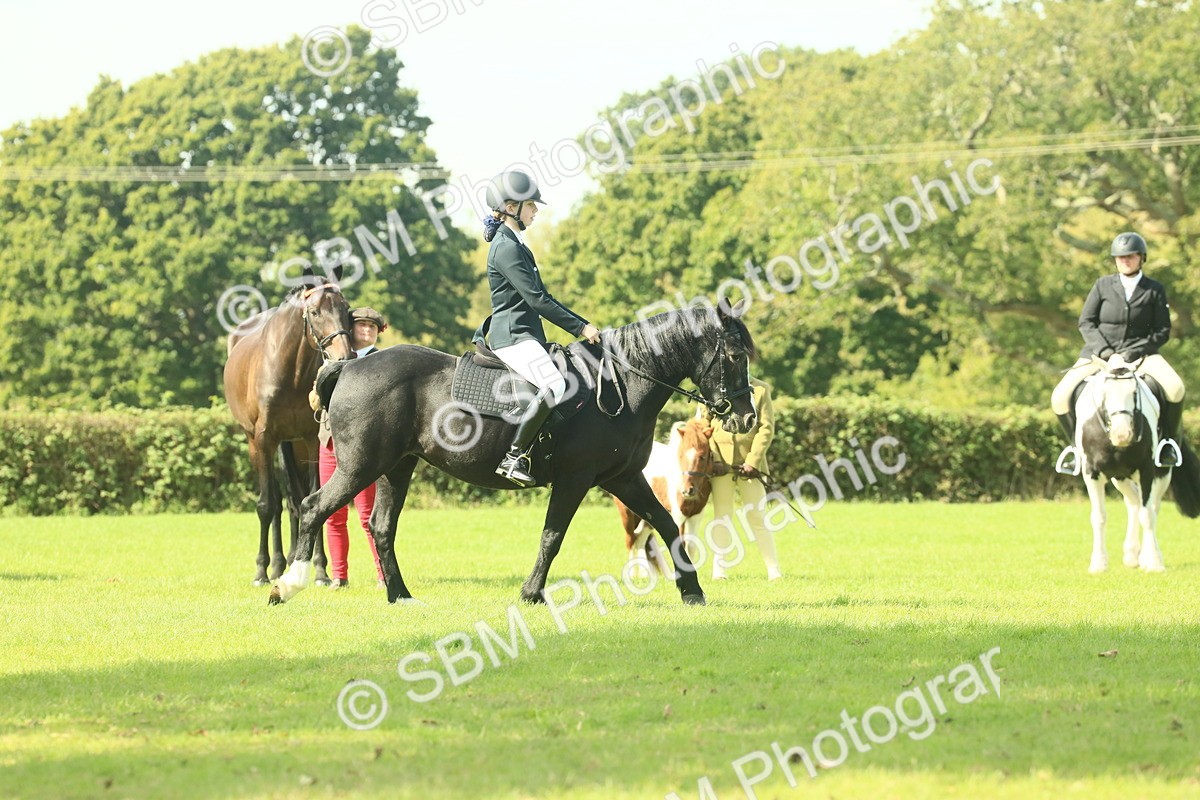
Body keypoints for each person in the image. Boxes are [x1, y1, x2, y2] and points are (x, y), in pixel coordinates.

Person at [473, 170, 601, 487]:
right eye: (531, 204)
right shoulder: (506, 248)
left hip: (524, 335)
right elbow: (537, 299)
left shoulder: (516, 244)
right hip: (513, 337)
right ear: (511, 207)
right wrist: (581, 327)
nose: (536, 210)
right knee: (556, 386)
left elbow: (542, 297)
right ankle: (512, 457)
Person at [1051, 232, 1186, 475]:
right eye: (1120, 257)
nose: (1125, 260)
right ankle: (1074, 449)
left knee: (1175, 388)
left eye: (1130, 256)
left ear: (1141, 258)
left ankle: (1167, 444)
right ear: (1115, 260)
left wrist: (1132, 352)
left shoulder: (1154, 289)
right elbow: (1086, 323)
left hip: (1142, 356)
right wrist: (1105, 352)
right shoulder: (1102, 285)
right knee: (1059, 397)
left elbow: (1162, 330)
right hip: (1099, 355)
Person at [318, 307, 388, 588]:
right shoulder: (328, 358)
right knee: (332, 514)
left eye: (373, 327)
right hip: (329, 441)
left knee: (368, 514)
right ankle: (339, 576)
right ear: (351, 329)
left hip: (364, 447)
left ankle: (383, 574)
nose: (368, 331)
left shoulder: (383, 361)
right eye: (362, 326)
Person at [697, 374, 782, 580]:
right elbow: (703, 426)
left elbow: (766, 428)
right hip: (720, 467)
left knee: (757, 516)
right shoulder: (711, 387)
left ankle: (773, 570)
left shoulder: (761, 390)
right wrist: (714, 459)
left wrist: (753, 461)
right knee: (722, 516)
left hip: (750, 467)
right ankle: (720, 570)